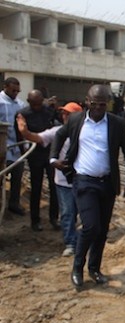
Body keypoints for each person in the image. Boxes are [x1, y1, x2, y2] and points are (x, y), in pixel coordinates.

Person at [50, 84, 125, 288]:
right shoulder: (76, 120)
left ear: (108, 104)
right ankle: (77, 267)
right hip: (84, 181)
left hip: (107, 183)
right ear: (87, 101)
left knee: (102, 230)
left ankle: (94, 268)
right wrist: (54, 158)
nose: (98, 108)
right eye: (94, 104)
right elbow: (59, 135)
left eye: (102, 104)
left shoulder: (116, 123)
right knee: (91, 226)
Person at [17, 102, 83, 256]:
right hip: (63, 180)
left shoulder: (87, 132)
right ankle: (70, 243)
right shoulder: (58, 131)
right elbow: (38, 138)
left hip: (83, 180)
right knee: (67, 212)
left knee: (81, 213)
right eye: (64, 113)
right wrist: (24, 131)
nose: (65, 116)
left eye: (69, 113)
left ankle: (81, 239)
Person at [17, 89, 59, 231]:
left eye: (40, 103)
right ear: (29, 102)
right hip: (35, 154)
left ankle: (54, 218)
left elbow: (57, 128)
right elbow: (19, 135)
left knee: (54, 185)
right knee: (36, 187)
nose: (38, 106)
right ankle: (35, 220)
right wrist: (24, 153)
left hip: (50, 152)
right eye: (35, 104)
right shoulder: (23, 114)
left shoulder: (49, 111)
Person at [0, 77, 27, 216]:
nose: (16, 93)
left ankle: (14, 204)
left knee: (17, 177)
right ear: (5, 87)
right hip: (1, 146)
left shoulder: (20, 105)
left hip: (16, 148)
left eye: (18, 91)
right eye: (13, 90)